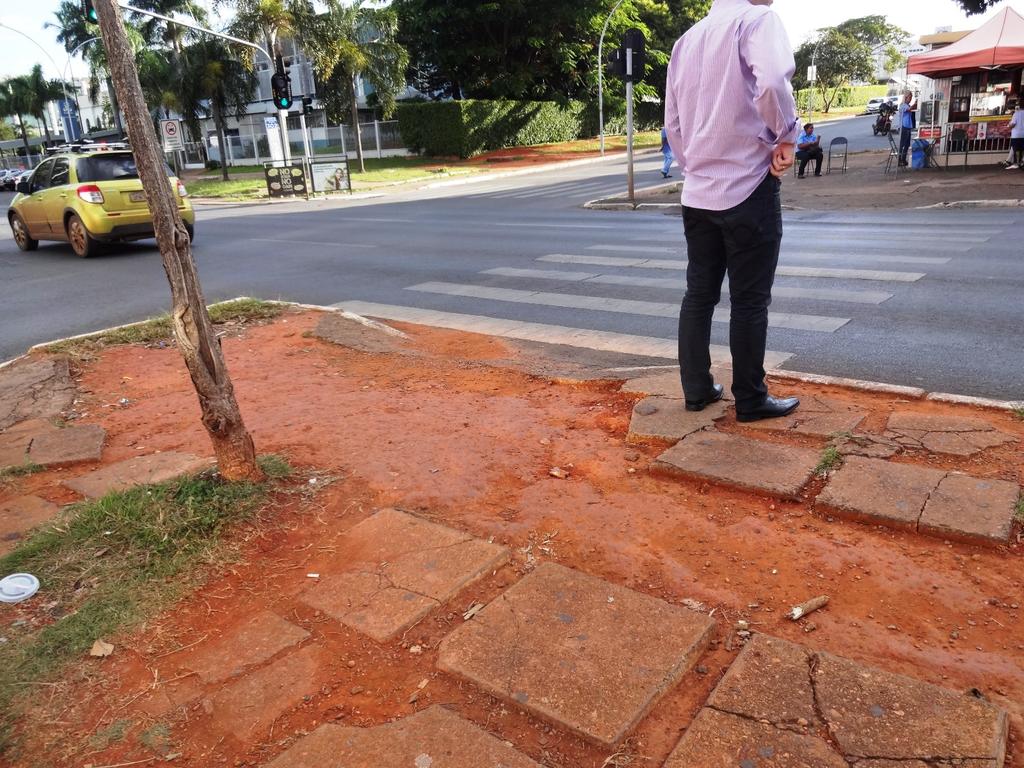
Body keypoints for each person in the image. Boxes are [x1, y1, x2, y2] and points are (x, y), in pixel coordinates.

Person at [664, 0, 800, 423]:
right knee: (749, 300)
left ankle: (697, 389)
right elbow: (774, 81)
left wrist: (695, 166)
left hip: (698, 192)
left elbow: (673, 121)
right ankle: (751, 398)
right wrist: (786, 136)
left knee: (699, 295)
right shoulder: (757, 21)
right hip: (748, 185)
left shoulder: (686, 40)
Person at [898, 90, 916, 167]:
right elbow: (909, 109)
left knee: (907, 144)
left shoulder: (907, 105)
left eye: (911, 98)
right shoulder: (903, 105)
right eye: (909, 97)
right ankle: (900, 160)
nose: (910, 99)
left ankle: (903, 159)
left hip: (908, 126)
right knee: (902, 144)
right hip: (903, 127)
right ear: (906, 97)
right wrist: (915, 104)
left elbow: (911, 108)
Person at [1007, 105, 1024, 170]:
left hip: (1016, 134)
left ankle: (1016, 164)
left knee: (1016, 149)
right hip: (1023, 134)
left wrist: (1009, 126)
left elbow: (1013, 124)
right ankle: (1021, 163)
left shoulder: (1016, 114)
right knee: (1022, 149)